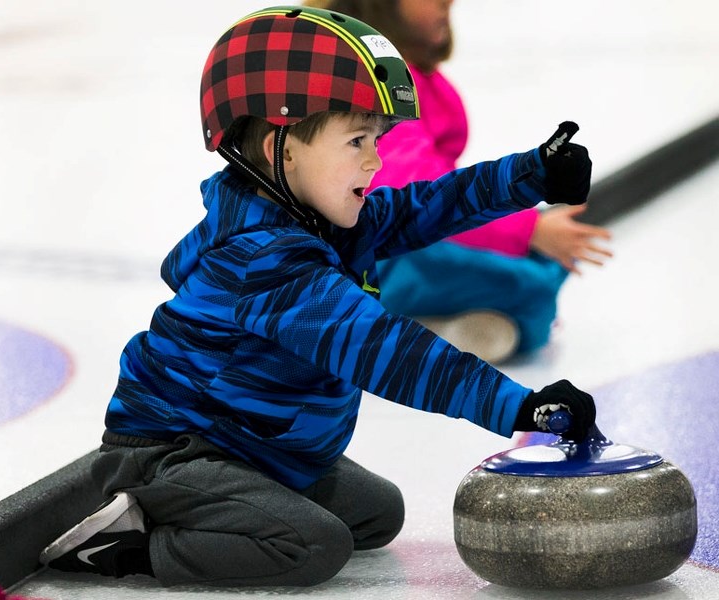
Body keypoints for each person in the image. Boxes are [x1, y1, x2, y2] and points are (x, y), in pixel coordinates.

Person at [38, 6, 596, 588]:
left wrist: (531, 177)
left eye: (376, 140)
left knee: (378, 513)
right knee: (311, 546)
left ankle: (231, 505)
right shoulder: (267, 260)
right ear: (283, 146)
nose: (376, 160)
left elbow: (420, 207)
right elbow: (389, 352)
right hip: (177, 452)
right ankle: (127, 545)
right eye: (357, 140)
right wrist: (518, 407)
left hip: (254, 445)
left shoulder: (321, 217)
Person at [304, 0, 613, 363]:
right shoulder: (372, 86)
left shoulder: (406, 78)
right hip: (365, 266)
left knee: (539, 267)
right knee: (533, 286)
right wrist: (527, 230)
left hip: (388, 254)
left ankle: (436, 324)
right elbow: (420, 191)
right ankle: (398, 333)